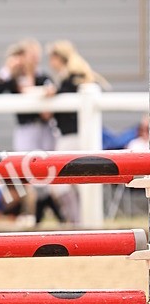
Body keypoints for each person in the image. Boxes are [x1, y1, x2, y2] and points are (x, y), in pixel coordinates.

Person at [0, 38, 64, 224]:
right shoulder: (14, 78)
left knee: (47, 167)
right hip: (26, 129)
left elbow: (52, 90)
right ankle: (50, 213)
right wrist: (7, 69)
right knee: (29, 169)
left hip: (45, 128)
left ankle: (45, 213)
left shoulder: (42, 76)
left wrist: (49, 93)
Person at [43, 40, 108, 224]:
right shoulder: (74, 77)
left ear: (58, 58)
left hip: (73, 138)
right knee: (72, 184)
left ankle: (80, 223)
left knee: (63, 184)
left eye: (51, 58)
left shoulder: (73, 78)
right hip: (74, 137)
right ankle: (80, 222)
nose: (49, 62)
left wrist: (54, 94)